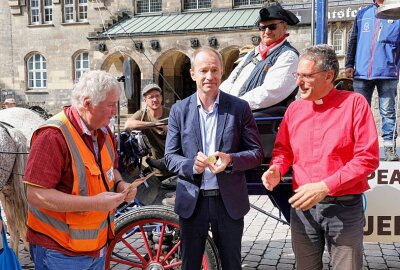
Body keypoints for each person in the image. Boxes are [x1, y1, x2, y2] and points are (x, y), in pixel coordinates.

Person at [262, 45, 379, 270]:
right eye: (298, 75)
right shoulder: (294, 109)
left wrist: (326, 186)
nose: (299, 82)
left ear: (328, 76)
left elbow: (367, 157)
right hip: (303, 209)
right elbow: (283, 150)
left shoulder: (355, 104)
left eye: (306, 76)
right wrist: (276, 168)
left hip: (344, 209)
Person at [24, 70, 137, 270]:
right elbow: (35, 195)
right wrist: (95, 203)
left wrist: (120, 184)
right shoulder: (52, 135)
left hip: (97, 247)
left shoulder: (103, 131)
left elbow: (110, 169)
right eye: (110, 105)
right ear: (87, 103)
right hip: (59, 251)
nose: (115, 111)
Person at [165, 47, 264, 270]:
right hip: (193, 200)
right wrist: (192, 165)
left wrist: (231, 160)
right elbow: (170, 157)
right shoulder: (179, 110)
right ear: (193, 74)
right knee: (189, 265)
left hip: (227, 200)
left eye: (214, 70)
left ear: (222, 72)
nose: (209, 76)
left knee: (231, 264)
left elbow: (256, 153)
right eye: (203, 71)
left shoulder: (239, 108)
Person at [345, 0, 400, 161]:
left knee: (388, 111)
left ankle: (389, 147)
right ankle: (360, 147)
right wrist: (349, 63)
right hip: (361, 72)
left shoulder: (396, 12)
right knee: (359, 113)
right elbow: (353, 40)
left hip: (388, 71)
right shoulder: (363, 14)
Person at [219, 2, 299, 111]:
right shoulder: (253, 53)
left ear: (284, 26)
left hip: (257, 118)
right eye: (262, 27)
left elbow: (270, 92)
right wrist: (220, 99)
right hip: (235, 112)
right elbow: (231, 79)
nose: (267, 32)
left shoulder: (288, 56)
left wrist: (234, 105)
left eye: (272, 27)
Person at [124, 83, 170, 160]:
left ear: (161, 97)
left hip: (172, 159)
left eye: (157, 96)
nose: (155, 99)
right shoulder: (142, 114)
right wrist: (157, 124)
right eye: (151, 97)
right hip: (154, 162)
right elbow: (128, 124)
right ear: (145, 100)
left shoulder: (172, 113)